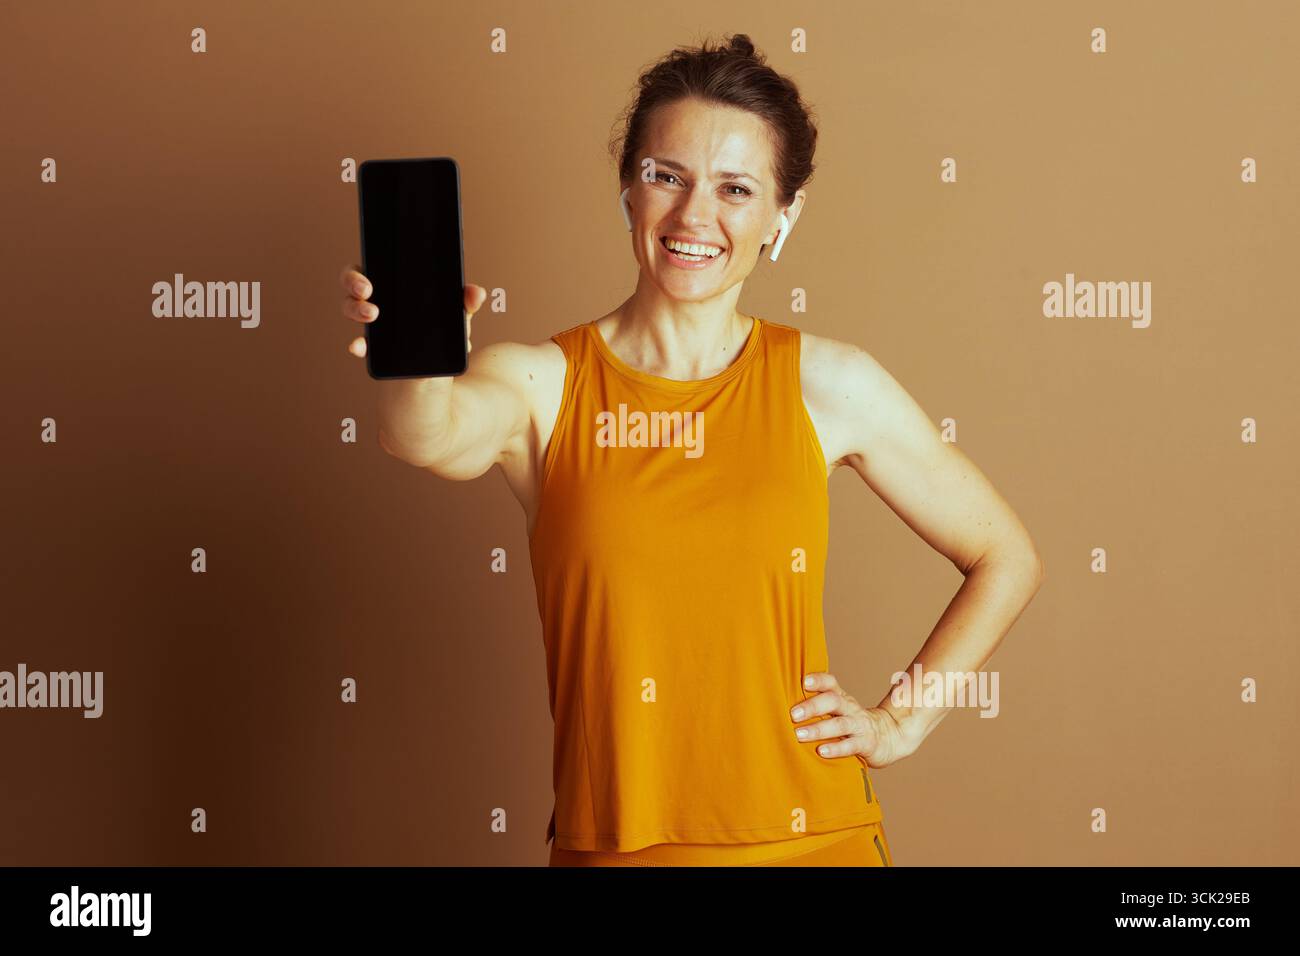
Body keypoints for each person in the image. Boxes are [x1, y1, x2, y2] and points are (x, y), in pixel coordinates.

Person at [337, 34, 1044, 867]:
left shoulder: (829, 383)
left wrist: (901, 719)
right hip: (615, 851)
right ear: (629, 190)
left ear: (785, 215)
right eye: (666, 177)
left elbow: (1006, 555)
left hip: (814, 846)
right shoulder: (541, 382)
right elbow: (423, 435)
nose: (693, 217)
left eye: (736, 189)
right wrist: (418, 358)